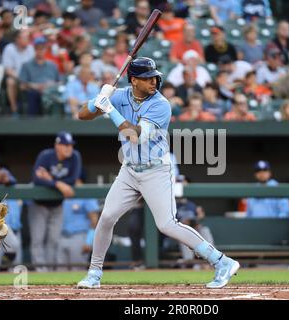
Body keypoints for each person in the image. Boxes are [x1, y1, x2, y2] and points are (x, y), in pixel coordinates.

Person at [77, 56, 239, 289]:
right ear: (133, 80)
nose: (153, 81)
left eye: (154, 77)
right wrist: (98, 101)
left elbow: (135, 135)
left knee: (167, 224)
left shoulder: (161, 104)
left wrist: (109, 108)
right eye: (147, 78)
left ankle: (222, 262)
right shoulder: (121, 95)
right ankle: (94, 273)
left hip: (156, 170)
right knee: (106, 218)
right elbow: (82, 115)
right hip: (129, 170)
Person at [29, 131, 82, 271]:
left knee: (54, 239)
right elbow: (36, 178)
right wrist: (58, 184)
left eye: (70, 145)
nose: (69, 148)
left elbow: (72, 180)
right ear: (57, 145)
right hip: (39, 203)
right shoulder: (46, 156)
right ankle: (41, 272)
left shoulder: (75, 157)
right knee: (38, 240)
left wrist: (50, 179)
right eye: (65, 145)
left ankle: (50, 271)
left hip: (57, 204)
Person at [57, 177, 100, 270]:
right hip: (61, 236)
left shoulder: (86, 195)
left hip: (79, 237)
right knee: (59, 273)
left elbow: (94, 221)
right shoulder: (62, 194)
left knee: (77, 272)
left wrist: (89, 241)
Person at [0, 150, 22, 271]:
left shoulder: (3, 173)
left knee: (14, 245)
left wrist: (5, 179)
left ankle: (4, 268)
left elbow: (12, 181)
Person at [19, 36, 60, 115]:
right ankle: (32, 122)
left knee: (55, 96)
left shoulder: (53, 65)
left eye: (42, 48)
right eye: (38, 48)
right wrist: (34, 86)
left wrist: (51, 85)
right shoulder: (26, 65)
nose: (40, 51)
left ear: (46, 49)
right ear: (34, 49)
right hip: (34, 91)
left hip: (50, 92)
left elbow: (59, 82)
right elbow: (22, 85)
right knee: (33, 94)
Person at [1, 29, 35, 115]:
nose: (28, 40)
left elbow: (34, 66)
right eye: (25, 38)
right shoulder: (9, 48)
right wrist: (21, 78)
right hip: (16, 77)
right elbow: (8, 70)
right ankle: (14, 108)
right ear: (17, 39)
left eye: (28, 38)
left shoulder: (31, 48)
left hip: (30, 77)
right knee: (10, 81)